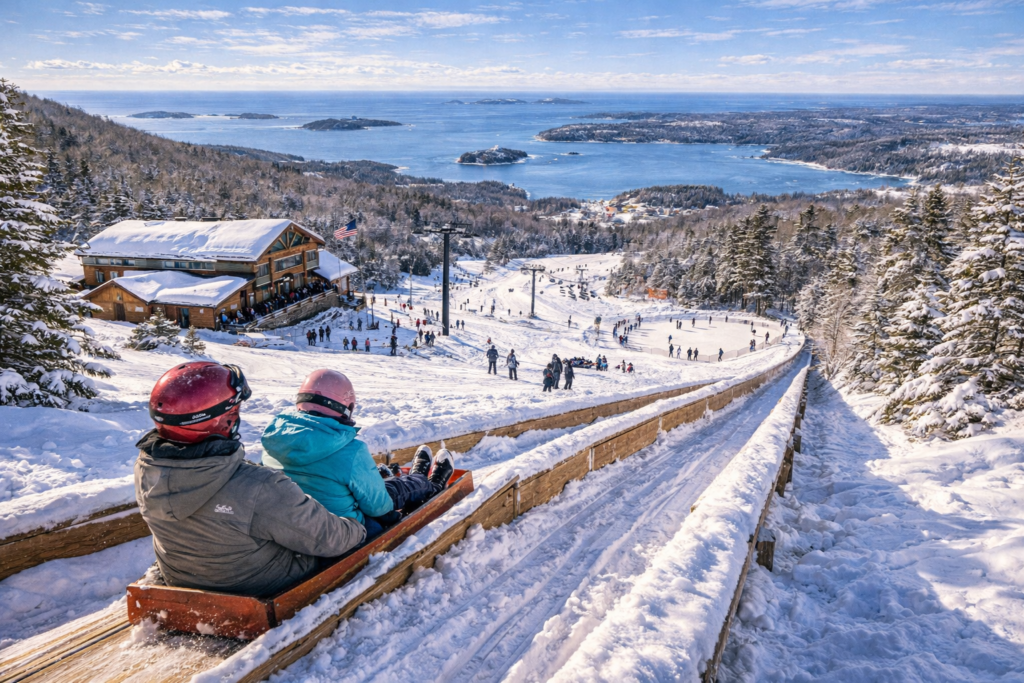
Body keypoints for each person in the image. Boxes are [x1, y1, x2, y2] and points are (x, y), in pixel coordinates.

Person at [134, 362, 366, 597]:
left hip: (182, 578)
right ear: (225, 419)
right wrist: (358, 528)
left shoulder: (147, 471)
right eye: (234, 410)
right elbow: (331, 540)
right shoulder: (259, 487)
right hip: (263, 587)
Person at [261, 370, 454, 540]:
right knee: (396, 489)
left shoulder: (273, 443)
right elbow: (379, 508)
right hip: (347, 532)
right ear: (346, 408)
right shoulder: (351, 451)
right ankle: (429, 484)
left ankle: (418, 480)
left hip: (296, 529)